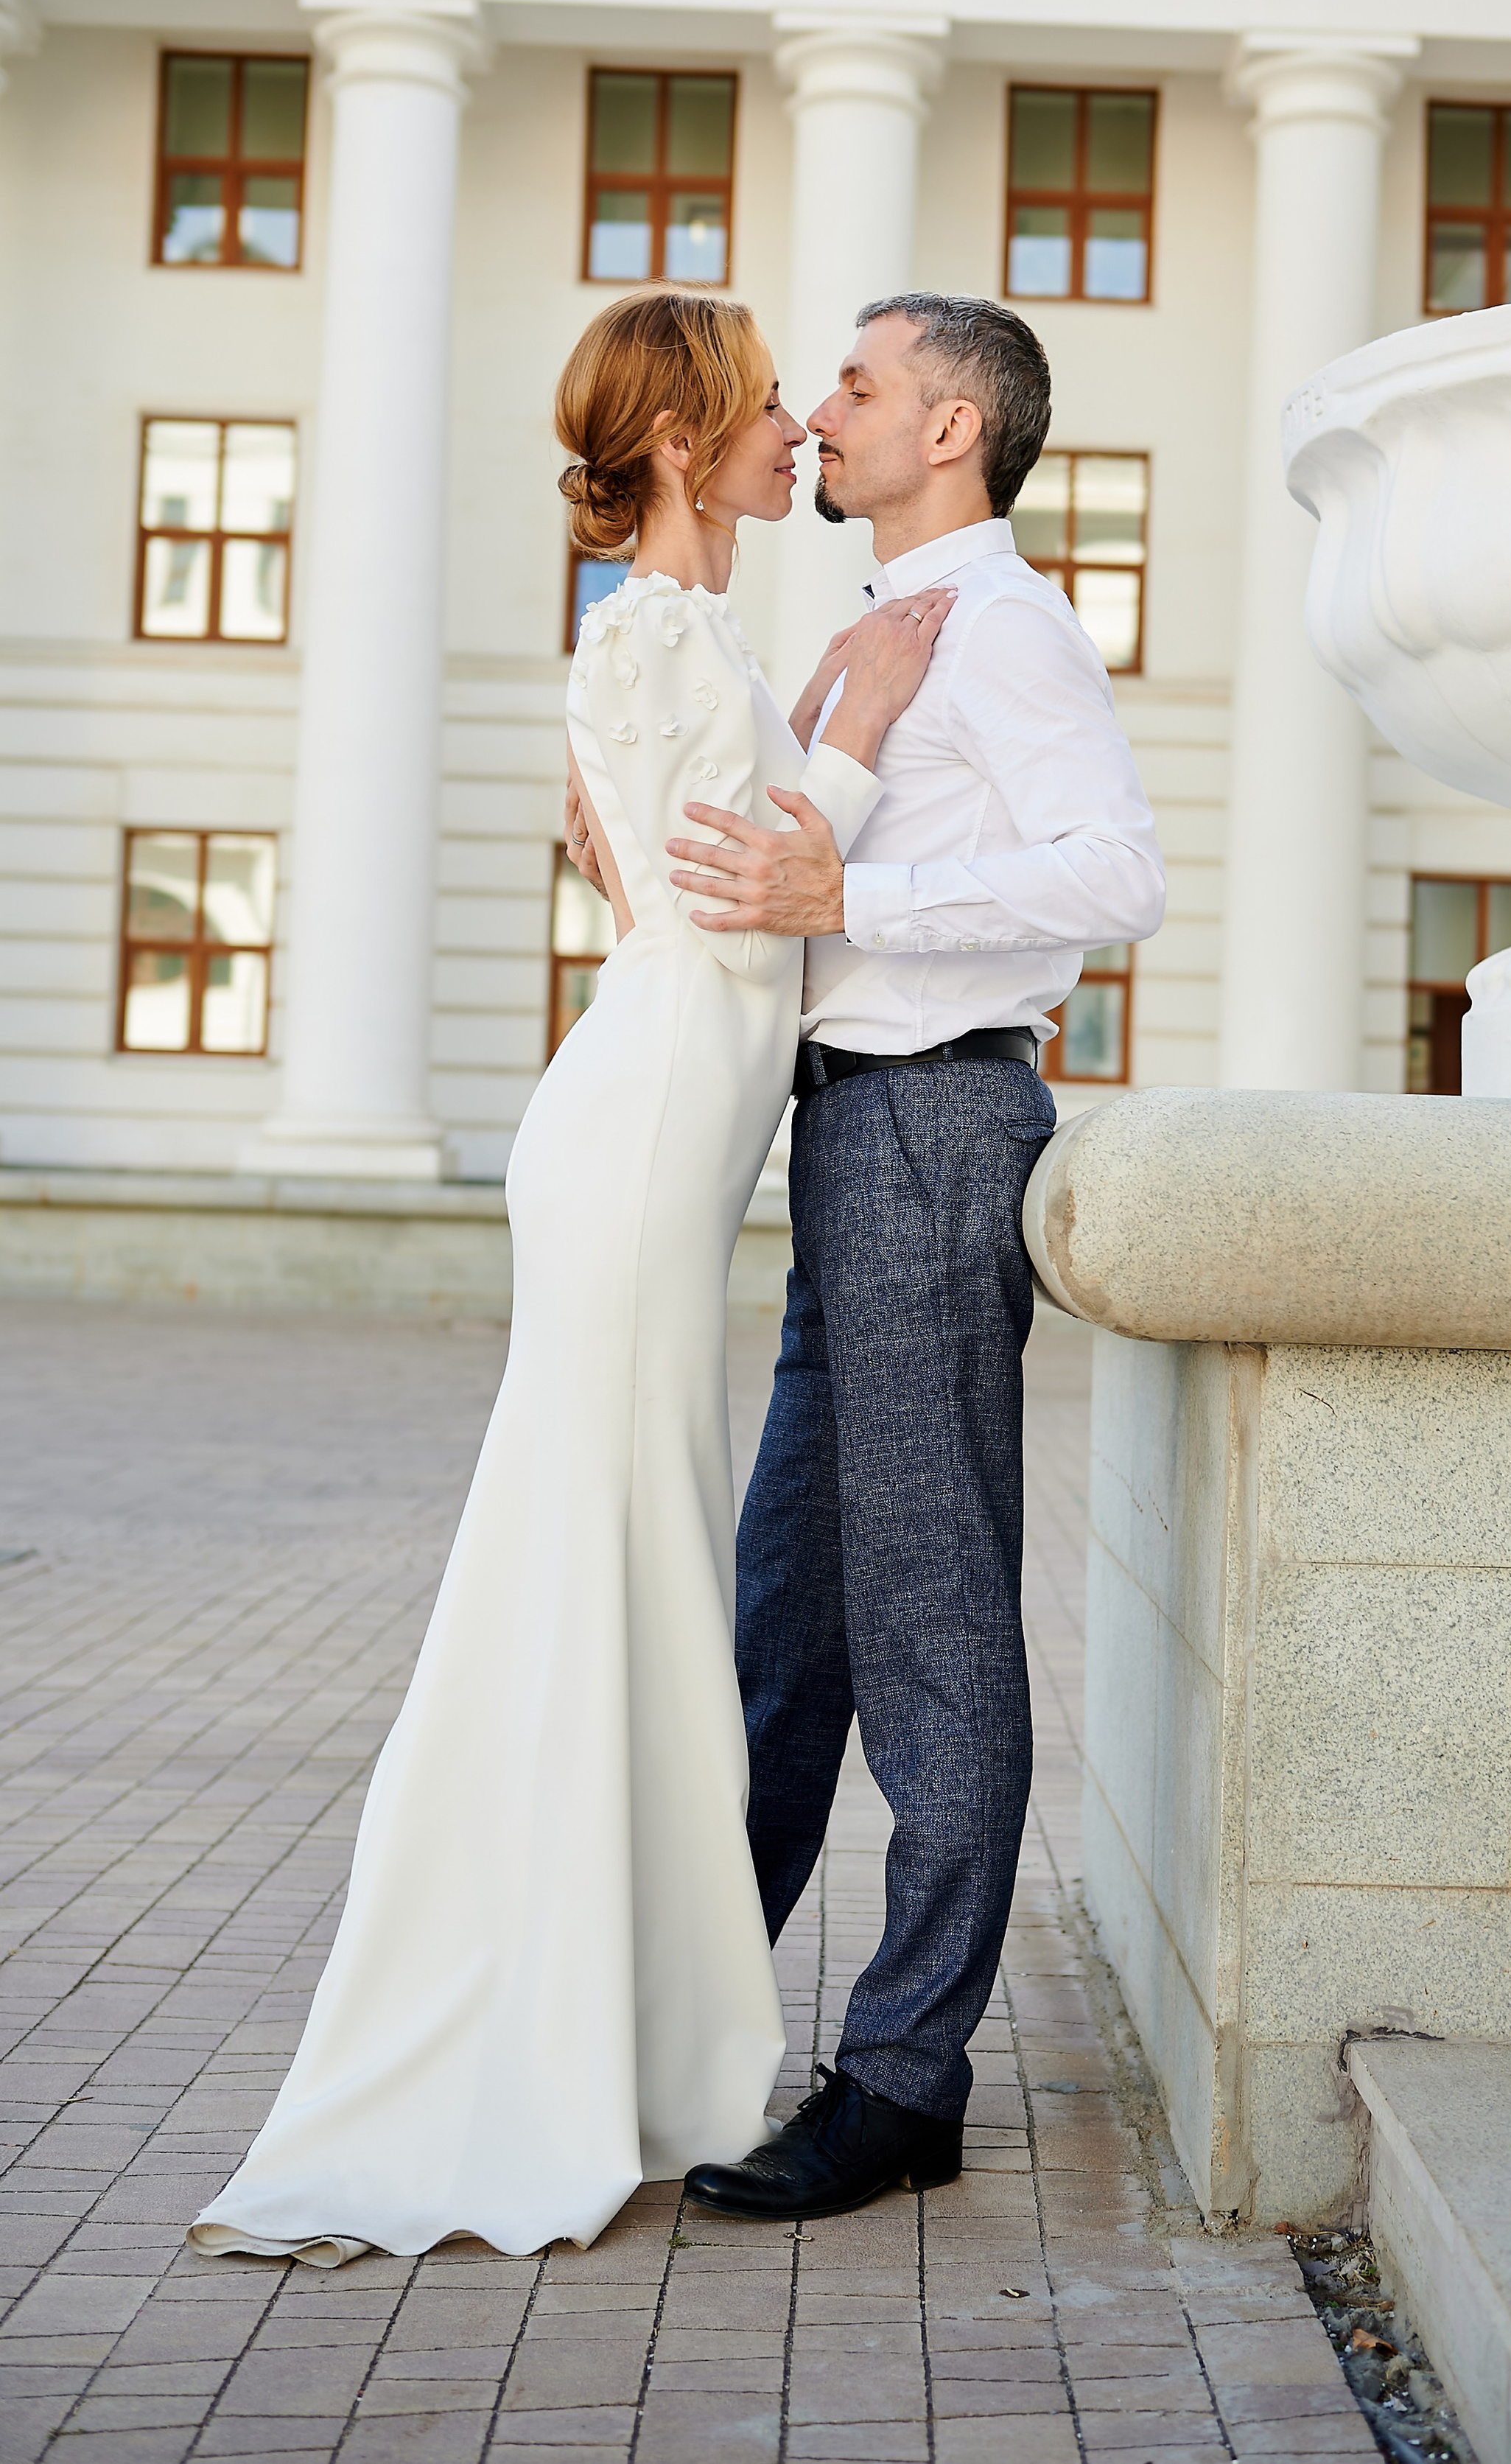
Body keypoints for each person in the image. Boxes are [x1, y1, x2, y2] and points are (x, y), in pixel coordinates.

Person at [186, 288, 951, 2265]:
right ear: (688, 447)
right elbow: (728, 898)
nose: (799, 430)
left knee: (638, 1578)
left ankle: (630, 2046)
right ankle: (556, 2054)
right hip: (627, 1152)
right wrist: (858, 732)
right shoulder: (658, 631)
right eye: (769, 406)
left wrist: (819, 738)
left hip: (648, 1137)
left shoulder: (663, 635)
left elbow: (669, 873)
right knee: (605, 1577)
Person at [659, 292, 1165, 2222]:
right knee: (789, 1618)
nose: (826, 409)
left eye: (860, 383)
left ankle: (902, 2075)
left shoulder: (1005, 626)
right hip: (849, 1129)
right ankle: (695, 2015)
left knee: (936, 1620)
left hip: (941, 1121)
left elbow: (1118, 869)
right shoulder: (882, 624)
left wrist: (851, 889)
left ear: (951, 424)